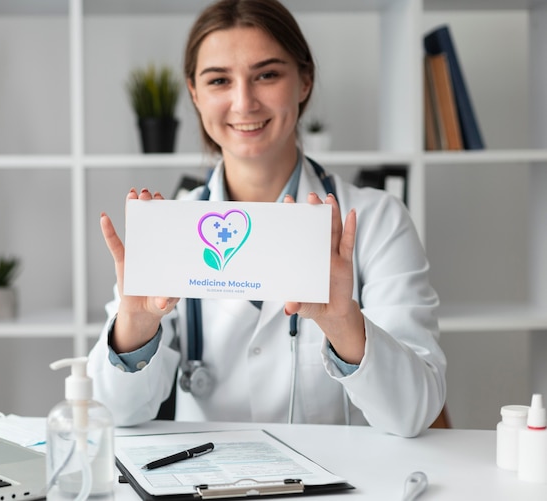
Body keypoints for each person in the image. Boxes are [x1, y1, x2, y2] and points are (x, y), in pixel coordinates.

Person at [88, 0, 446, 438]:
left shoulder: (376, 221)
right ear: (195, 94)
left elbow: (414, 413)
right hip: (203, 477)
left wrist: (344, 324)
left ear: (304, 81)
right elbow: (114, 413)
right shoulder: (169, 229)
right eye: (219, 80)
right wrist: (136, 328)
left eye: (267, 75)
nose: (244, 102)